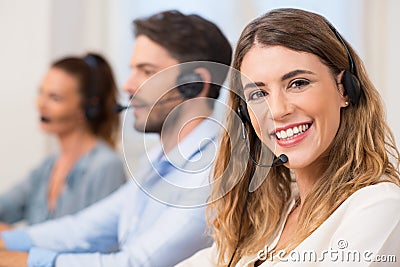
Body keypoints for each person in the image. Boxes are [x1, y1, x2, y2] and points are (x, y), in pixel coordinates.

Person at [0, 10, 232, 267]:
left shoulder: (212, 172)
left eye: (146, 71)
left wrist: (23, 261)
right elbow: (84, 229)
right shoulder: (157, 161)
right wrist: (7, 242)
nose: (127, 85)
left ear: (194, 82)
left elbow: (136, 263)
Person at [176, 8, 400, 267]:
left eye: (298, 83)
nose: (279, 111)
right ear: (245, 114)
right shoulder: (271, 216)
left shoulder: (378, 207)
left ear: (345, 89)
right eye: (258, 94)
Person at [0, 53, 126, 228]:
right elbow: (5, 207)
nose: (41, 104)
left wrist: (15, 237)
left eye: (55, 98)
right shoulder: (48, 167)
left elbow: (103, 244)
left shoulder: (106, 167)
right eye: (41, 93)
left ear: (88, 108)